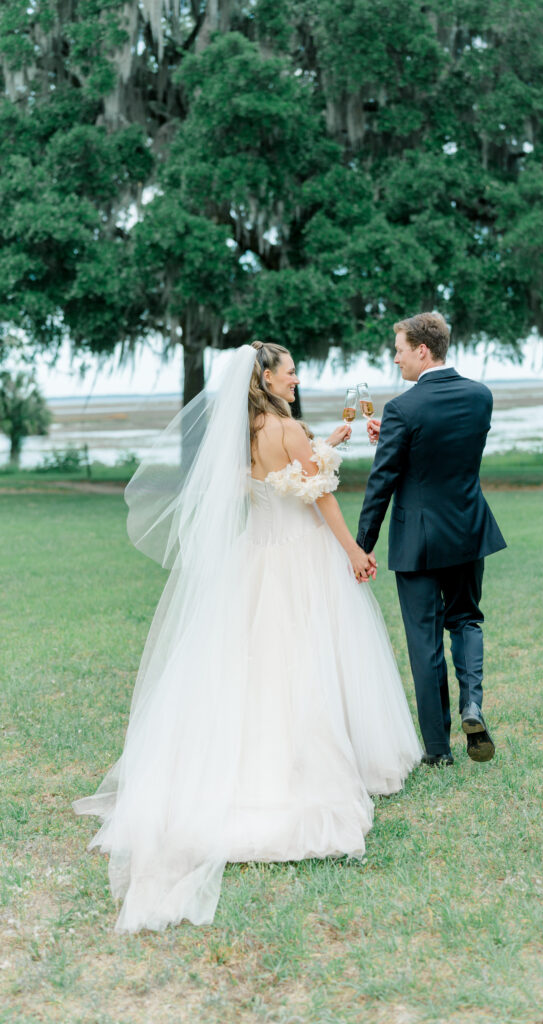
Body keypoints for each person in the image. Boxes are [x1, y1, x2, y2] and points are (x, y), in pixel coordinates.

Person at [73, 342, 421, 933]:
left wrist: (327, 445)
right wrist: (356, 551)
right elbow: (318, 499)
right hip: (299, 558)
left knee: (251, 662)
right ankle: (298, 772)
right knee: (304, 659)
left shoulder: (247, 428)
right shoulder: (285, 426)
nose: (296, 378)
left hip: (254, 557)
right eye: (289, 371)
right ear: (266, 375)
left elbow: (276, 478)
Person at [356, 313, 506, 766]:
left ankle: (438, 750)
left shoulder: (403, 408)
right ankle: (472, 705)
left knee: (424, 640)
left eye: (399, 348)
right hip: (467, 530)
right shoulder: (481, 396)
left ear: (423, 349)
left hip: (417, 540)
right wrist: (398, 441)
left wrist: (363, 543)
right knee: (466, 620)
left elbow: (382, 483)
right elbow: (449, 450)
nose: (395, 357)